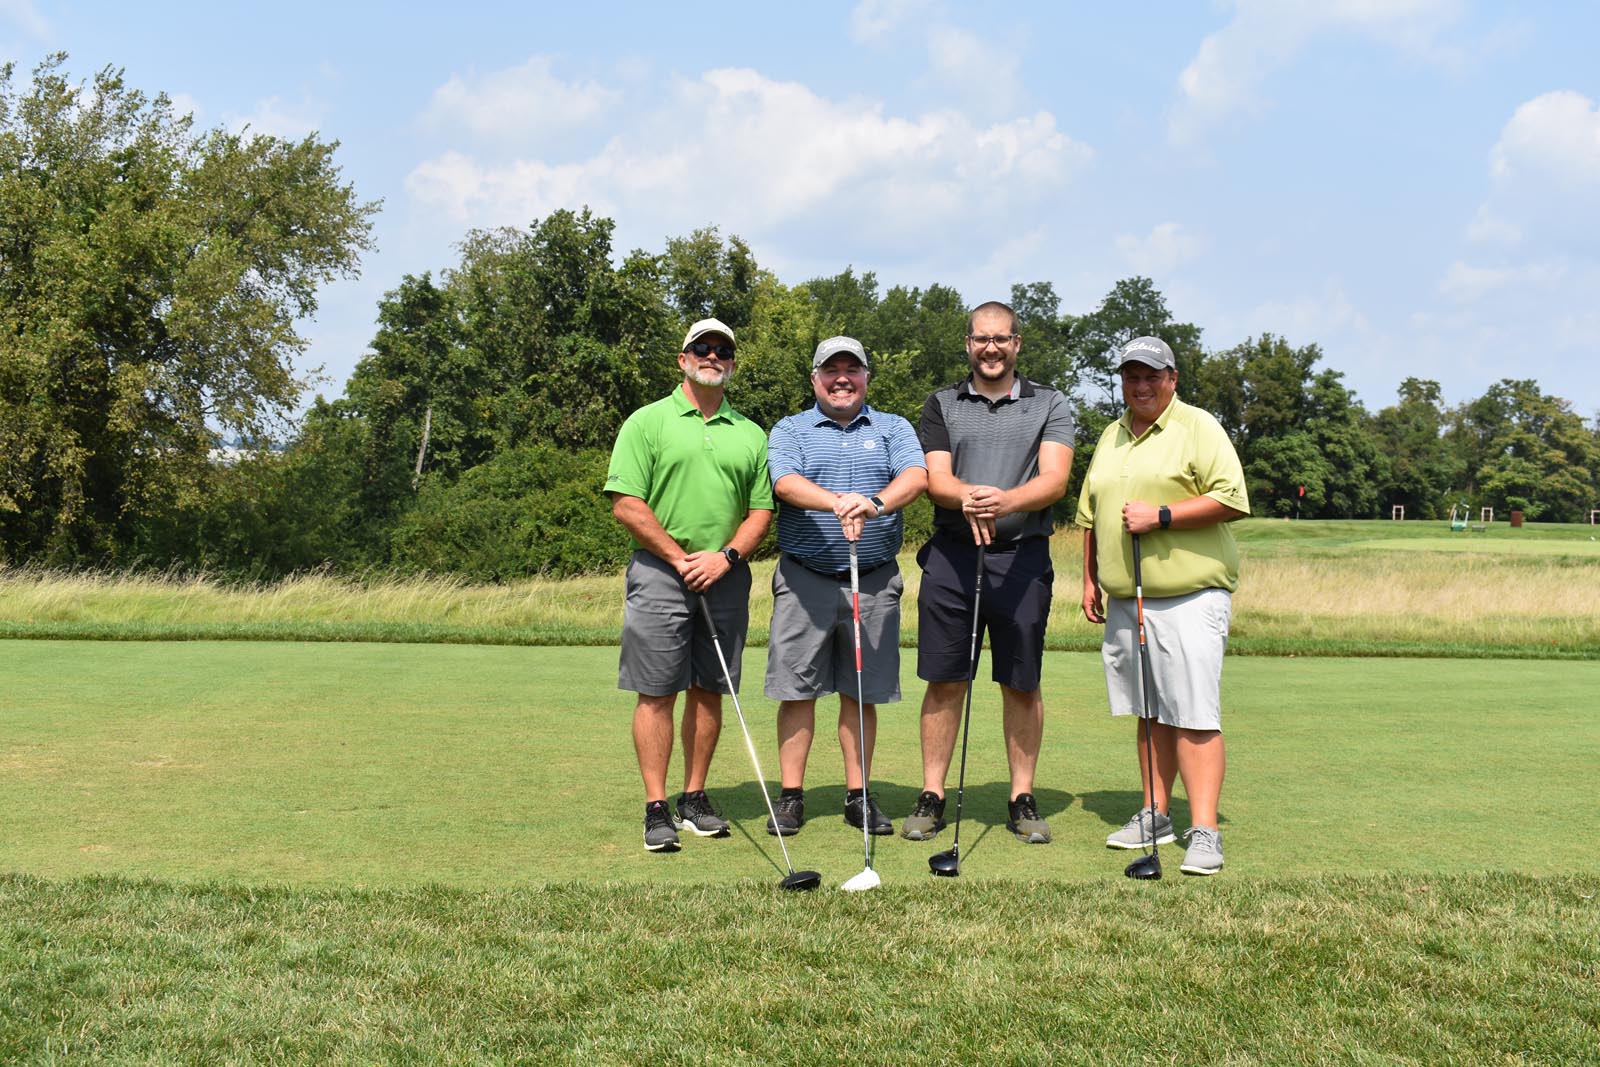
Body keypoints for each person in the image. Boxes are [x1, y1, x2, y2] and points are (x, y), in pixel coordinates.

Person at [901, 300, 1075, 845]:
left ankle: (1021, 797)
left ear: (1017, 344)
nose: (991, 348)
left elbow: (1054, 481)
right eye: (981, 339)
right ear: (969, 344)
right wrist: (970, 500)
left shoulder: (1050, 402)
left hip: (1022, 559)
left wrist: (998, 503)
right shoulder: (942, 404)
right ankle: (932, 794)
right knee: (945, 679)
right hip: (954, 559)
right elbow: (937, 479)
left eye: (1001, 338)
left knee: (1021, 682)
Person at [1076, 336, 1250, 876]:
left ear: (1172, 378)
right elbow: (1092, 513)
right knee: (1150, 711)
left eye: (1152, 375)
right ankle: (1156, 813)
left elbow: (1230, 498)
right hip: (1130, 600)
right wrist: (1091, 580)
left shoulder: (1199, 426)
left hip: (1189, 596)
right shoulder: (1111, 434)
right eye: (1131, 375)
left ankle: (1205, 831)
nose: (1141, 384)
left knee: (1193, 713)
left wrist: (1164, 517)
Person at [605, 318, 774, 853]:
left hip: (725, 575)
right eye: (702, 348)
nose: (713, 356)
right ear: (683, 359)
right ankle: (656, 806)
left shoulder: (749, 432)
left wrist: (725, 558)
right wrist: (680, 558)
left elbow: (760, 510)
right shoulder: (647, 422)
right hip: (661, 572)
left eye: (723, 350)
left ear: (731, 363)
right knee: (656, 690)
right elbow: (627, 504)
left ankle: (693, 797)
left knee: (710, 687)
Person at [763, 336, 928, 837]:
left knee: (861, 692)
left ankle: (858, 795)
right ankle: (791, 797)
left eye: (851, 370)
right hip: (804, 580)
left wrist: (872, 504)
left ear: (866, 378)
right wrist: (838, 502)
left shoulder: (892, 427)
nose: (841, 378)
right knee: (798, 692)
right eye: (830, 370)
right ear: (815, 378)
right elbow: (784, 481)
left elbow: (916, 477)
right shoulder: (791, 428)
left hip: (873, 582)